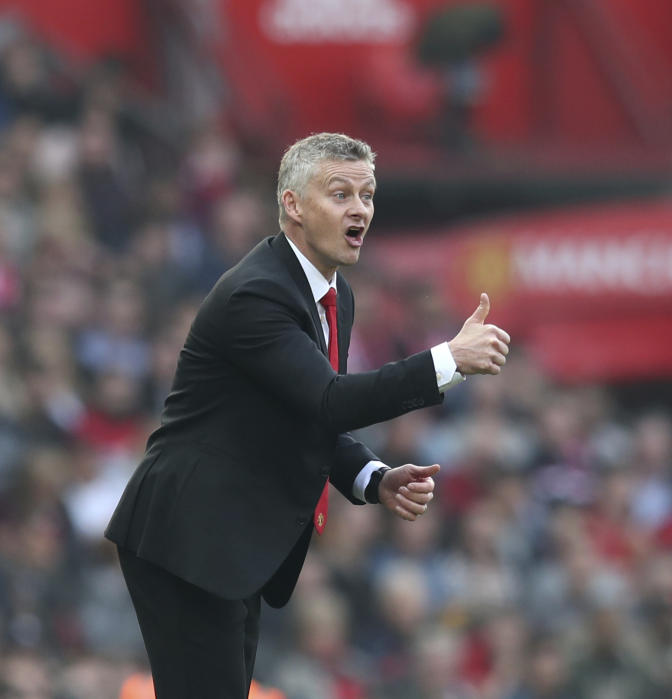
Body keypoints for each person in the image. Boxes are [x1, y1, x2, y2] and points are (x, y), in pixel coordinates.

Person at [104, 132, 511, 698]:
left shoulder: (331, 296)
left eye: (367, 195)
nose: (360, 209)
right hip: (188, 535)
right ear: (293, 205)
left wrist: (373, 478)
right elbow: (329, 400)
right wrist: (448, 360)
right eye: (340, 193)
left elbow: (308, 415)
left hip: (228, 540)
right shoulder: (257, 293)